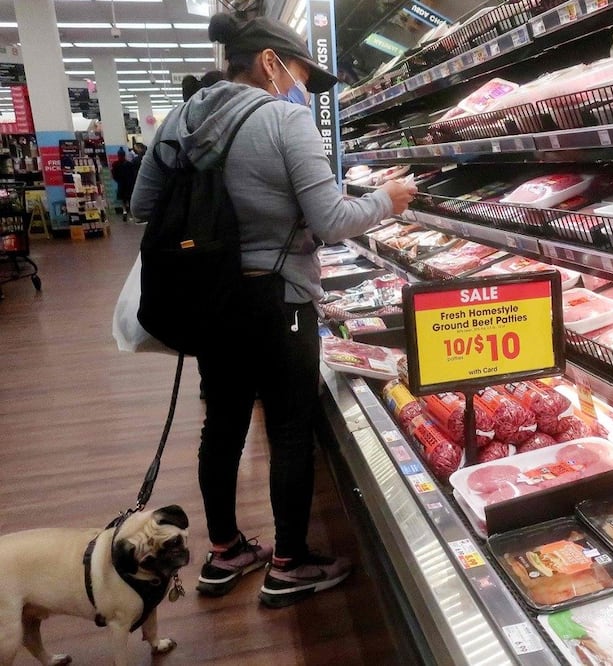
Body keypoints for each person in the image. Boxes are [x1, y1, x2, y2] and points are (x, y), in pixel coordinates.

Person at [130, 12, 416, 608]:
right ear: (269, 61)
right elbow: (332, 224)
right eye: (302, 77)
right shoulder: (286, 120)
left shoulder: (180, 118)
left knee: (223, 424)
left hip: (209, 302)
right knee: (289, 431)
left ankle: (225, 551)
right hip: (278, 297)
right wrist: (385, 200)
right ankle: (289, 564)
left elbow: (142, 206)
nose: (301, 90)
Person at [110, 147, 133, 221]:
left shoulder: (115, 164)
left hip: (121, 184)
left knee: (123, 199)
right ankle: (131, 214)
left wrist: (118, 180)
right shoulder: (129, 164)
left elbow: (113, 175)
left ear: (118, 155)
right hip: (128, 184)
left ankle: (124, 211)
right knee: (129, 198)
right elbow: (132, 174)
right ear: (124, 155)